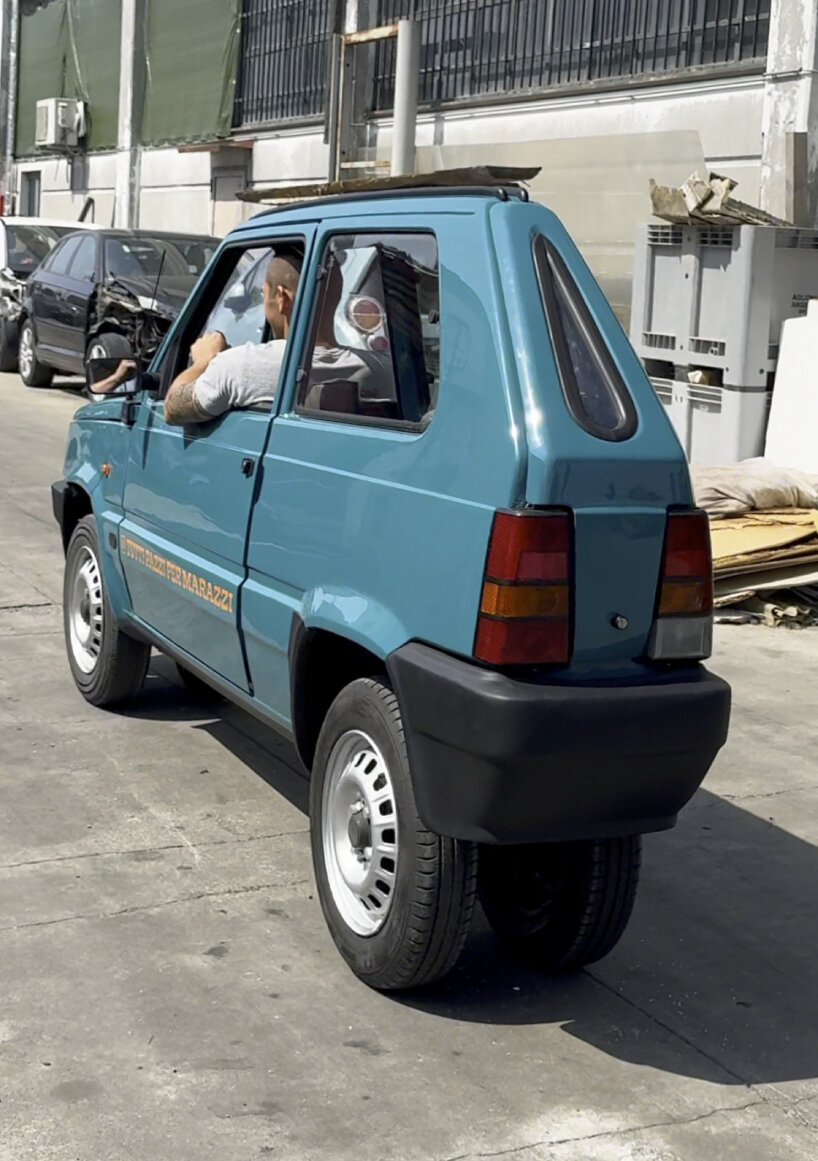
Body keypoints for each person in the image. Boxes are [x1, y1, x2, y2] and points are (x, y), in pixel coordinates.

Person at [163, 253, 303, 425]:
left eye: (263, 294)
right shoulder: (337, 367)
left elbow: (171, 409)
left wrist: (204, 360)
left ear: (282, 298)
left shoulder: (240, 366)